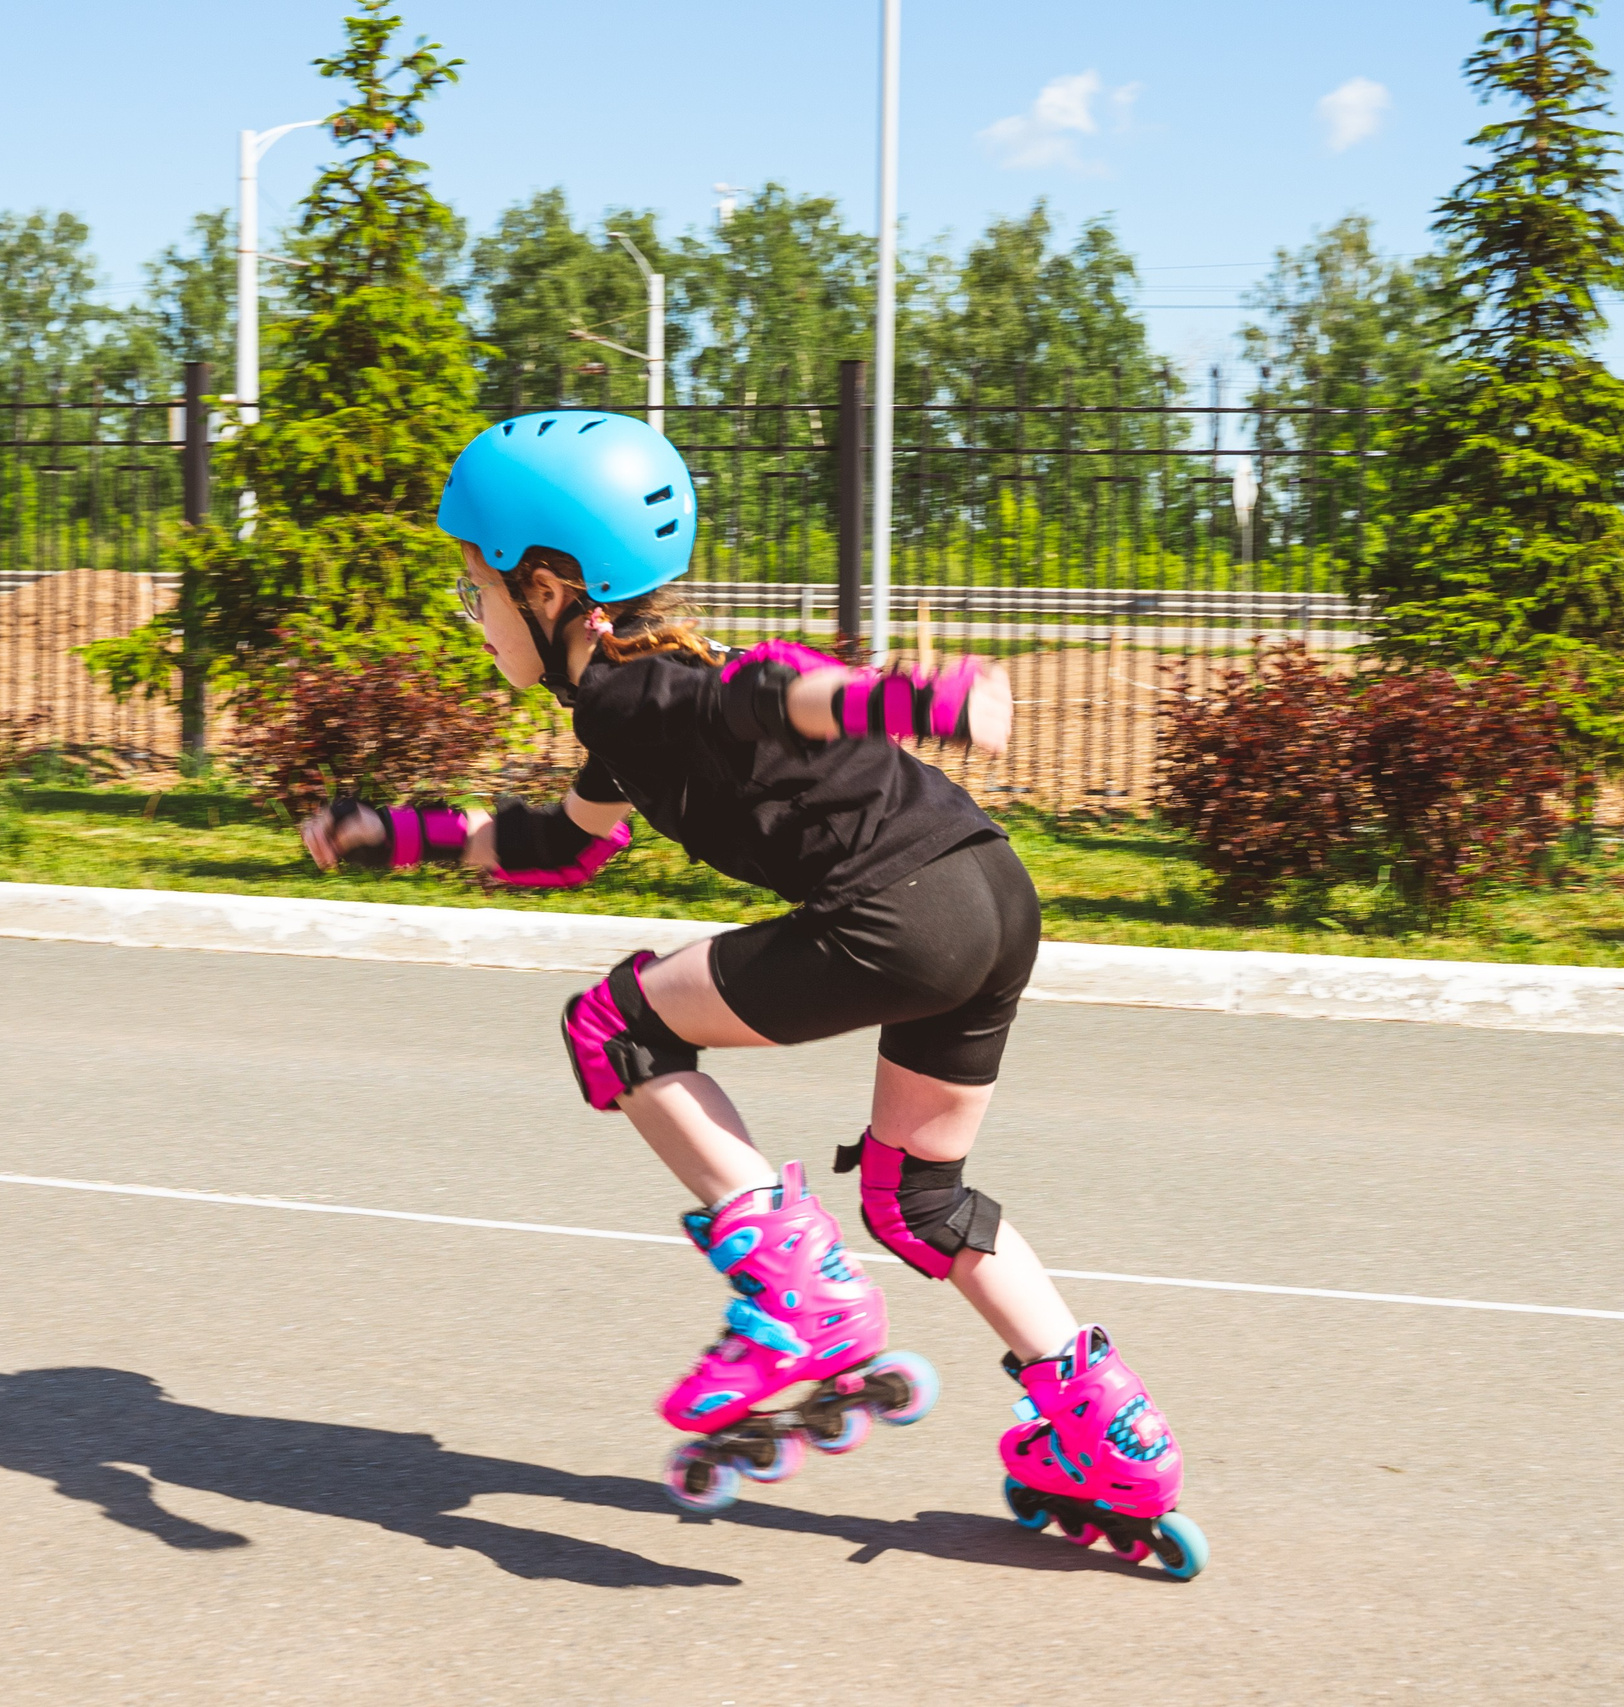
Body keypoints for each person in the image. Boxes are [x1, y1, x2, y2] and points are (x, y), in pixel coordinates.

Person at [297, 411, 1204, 1574]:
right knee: (916, 1197)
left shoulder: (664, 698)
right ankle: (1105, 1437)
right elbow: (561, 847)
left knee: (612, 1024)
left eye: (473, 586)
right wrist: (395, 837)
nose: (467, 613)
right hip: (988, 894)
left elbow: (780, 694)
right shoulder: (622, 711)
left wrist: (913, 699)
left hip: (897, 914)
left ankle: (798, 1298)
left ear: (547, 585)